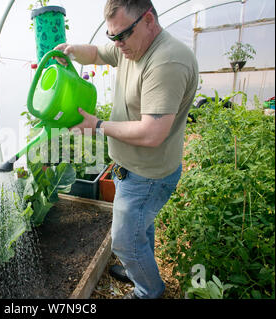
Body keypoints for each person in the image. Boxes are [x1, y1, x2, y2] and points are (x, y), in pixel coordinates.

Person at [54, 0, 199, 299]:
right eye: (112, 36)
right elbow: (95, 53)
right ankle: (139, 270)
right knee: (140, 230)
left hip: (148, 174)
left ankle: (149, 291)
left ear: (148, 20)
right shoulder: (132, 45)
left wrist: (96, 125)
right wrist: (70, 49)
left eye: (122, 35)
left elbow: (152, 133)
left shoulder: (166, 62)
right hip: (128, 168)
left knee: (123, 241)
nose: (117, 44)